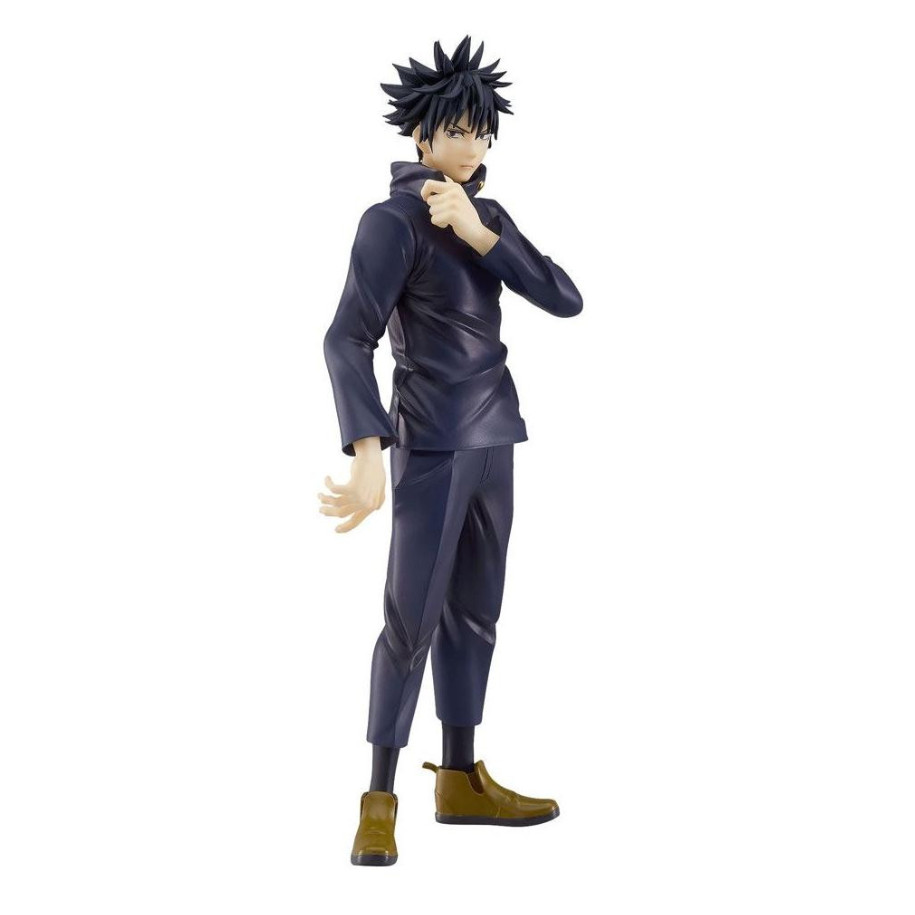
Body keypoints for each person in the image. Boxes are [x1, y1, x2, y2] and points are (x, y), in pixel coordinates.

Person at [320, 35, 583, 866]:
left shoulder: (484, 217)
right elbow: (346, 337)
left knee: (476, 612)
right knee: (411, 620)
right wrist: (368, 449)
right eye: (458, 130)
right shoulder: (389, 222)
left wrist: (480, 234)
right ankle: (378, 798)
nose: (472, 145)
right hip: (430, 440)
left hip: (495, 432)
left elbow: (565, 298)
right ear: (421, 135)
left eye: (483, 131)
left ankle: (461, 778)